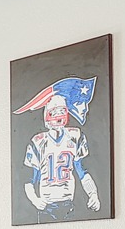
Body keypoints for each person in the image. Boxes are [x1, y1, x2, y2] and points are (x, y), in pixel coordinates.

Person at [18, 79, 100, 218]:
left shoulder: (75, 136)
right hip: (46, 206)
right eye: (54, 112)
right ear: (47, 115)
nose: (58, 116)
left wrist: (93, 194)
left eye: (62, 111)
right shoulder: (39, 142)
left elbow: (82, 172)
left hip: (68, 202)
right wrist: (35, 199)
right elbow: (30, 179)